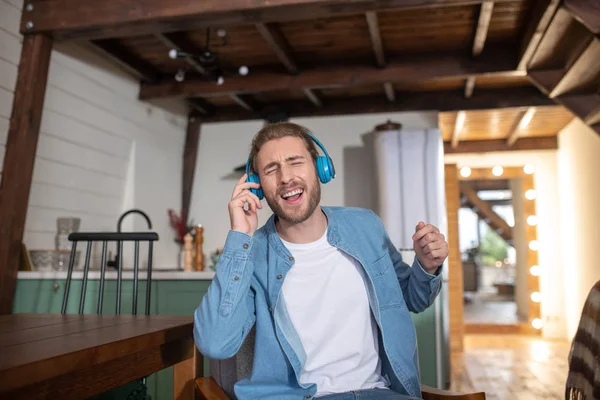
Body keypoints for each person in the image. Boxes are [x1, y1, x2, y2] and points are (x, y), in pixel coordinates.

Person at [194, 122, 449, 400]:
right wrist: (239, 236)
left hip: (380, 393)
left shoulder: (366, 226)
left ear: (320, 168)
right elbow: (215, 343)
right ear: (257, 187)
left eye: (295, 162)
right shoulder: (252, 254)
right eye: (271, 169)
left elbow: (412, 299)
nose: (286, 178)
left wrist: (427, 265)